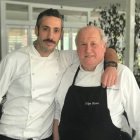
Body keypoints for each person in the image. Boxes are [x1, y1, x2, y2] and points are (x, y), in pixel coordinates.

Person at [0, 9, 118, 140]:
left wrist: (111, 66)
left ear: (61, 34)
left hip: (43, 136)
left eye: (56, 30)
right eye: (45, 29)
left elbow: (103, 50)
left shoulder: (64, 58)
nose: (50, 36)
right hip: (9, 134)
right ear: (36, 30)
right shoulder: (14, 59)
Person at [53, 26, 140, 140]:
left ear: (104, 47)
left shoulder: (122, 74)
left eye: (93, 44)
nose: (88, 50)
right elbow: (58, 111)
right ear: (77, 49)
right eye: (83, 44)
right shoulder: (68, 73)